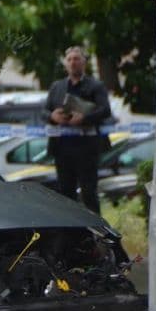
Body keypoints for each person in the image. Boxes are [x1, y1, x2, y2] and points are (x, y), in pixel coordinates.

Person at [43, 45, 112, 214]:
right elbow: (43, 112)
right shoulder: (57, 87)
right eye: (69, 60)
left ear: (84, 62)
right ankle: (69, 229)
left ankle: (95, 228)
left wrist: (84, 118)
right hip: (62, 148)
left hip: (87, 149)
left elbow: (105, 110)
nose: (73, 63)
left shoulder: (96, 86)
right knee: (65, 194)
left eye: (76, 59)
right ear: (65, 64)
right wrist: (53, 116)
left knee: (89, 193)